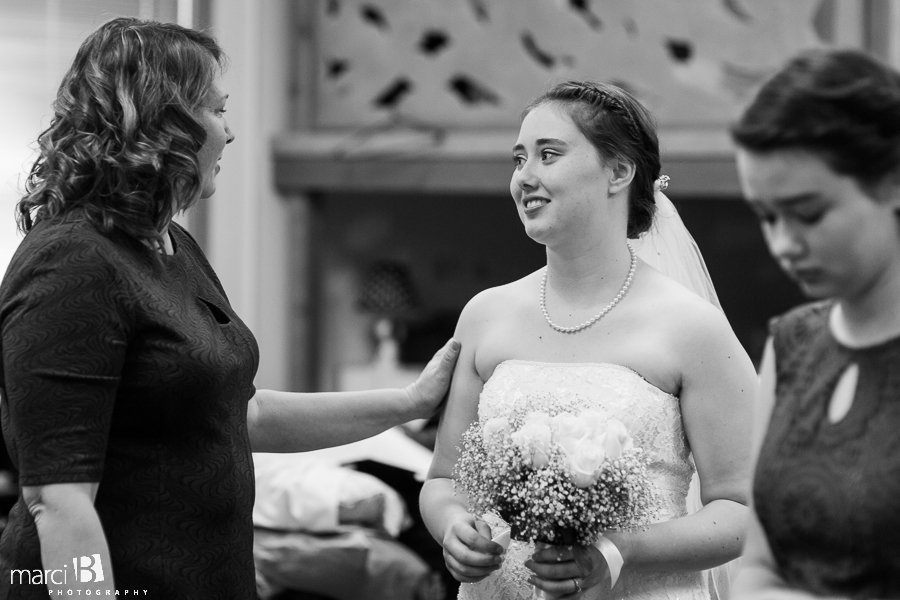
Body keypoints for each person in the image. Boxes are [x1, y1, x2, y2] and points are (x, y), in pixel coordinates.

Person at [0, 18, 460, 600]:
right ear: (161, 121)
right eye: (217, 110)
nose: (231, 131)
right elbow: (58, 501)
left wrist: (410, 402)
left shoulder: (172, 246)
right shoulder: (72, 262)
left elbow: (242, 415)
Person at [420, 80, 758, 600]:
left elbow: (739, 512)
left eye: (548, 155)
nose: (523, 178)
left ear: (619, 171)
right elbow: (444, 478)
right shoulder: (485, 314)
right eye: (518, 159)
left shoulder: (694, 329)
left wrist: (618, 551)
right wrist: (452, 528)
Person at [729, 49, 900, 599]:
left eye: (808, 214)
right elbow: (755, 565)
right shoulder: (793, 343)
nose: (783, 244)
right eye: (767, 217)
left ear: (891, 183)